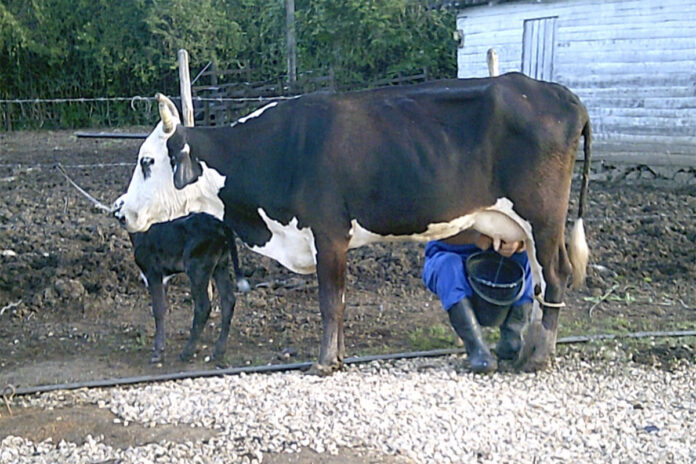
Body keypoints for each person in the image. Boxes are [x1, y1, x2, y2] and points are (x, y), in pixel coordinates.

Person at [422, 229, 534, 373]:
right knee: (448, 266)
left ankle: (512, 339)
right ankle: (476, 347)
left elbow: (534, 224)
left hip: (499, 255)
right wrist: (475, 238)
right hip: (452, 251)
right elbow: (432, 229)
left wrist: (519, 244)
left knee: (530, 263)